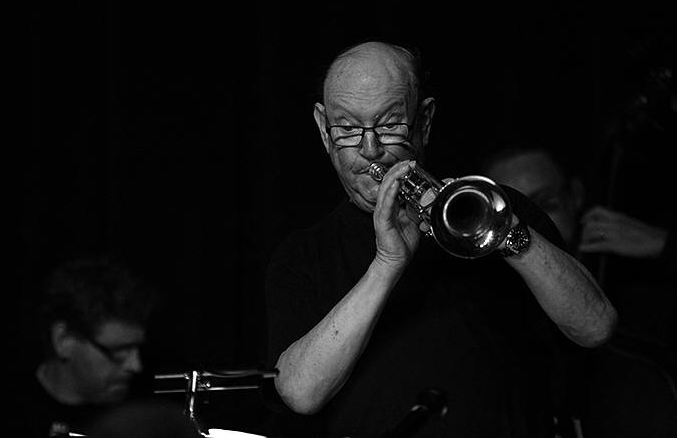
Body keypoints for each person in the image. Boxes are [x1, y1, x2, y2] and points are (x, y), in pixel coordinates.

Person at [263, 40, 617, 438]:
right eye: (347, 128)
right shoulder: (304, 254)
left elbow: (596, 327)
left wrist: (502, 232)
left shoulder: (500, 208)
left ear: (424, 121)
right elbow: (300, 393)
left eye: (390, 124)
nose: (370, 150)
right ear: (323, 130)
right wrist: (387, 264)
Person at [480, 143, 677, 437]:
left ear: (575, 195)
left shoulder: (641, 283)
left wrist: (665, 245)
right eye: (514, 213)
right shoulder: (489, 303)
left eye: (547, 205)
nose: (534, 223)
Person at [17, 256, 160, 437]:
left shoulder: (148, 420)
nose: (135, 365)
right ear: (63, 340)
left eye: (137, 348)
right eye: (119, 351)